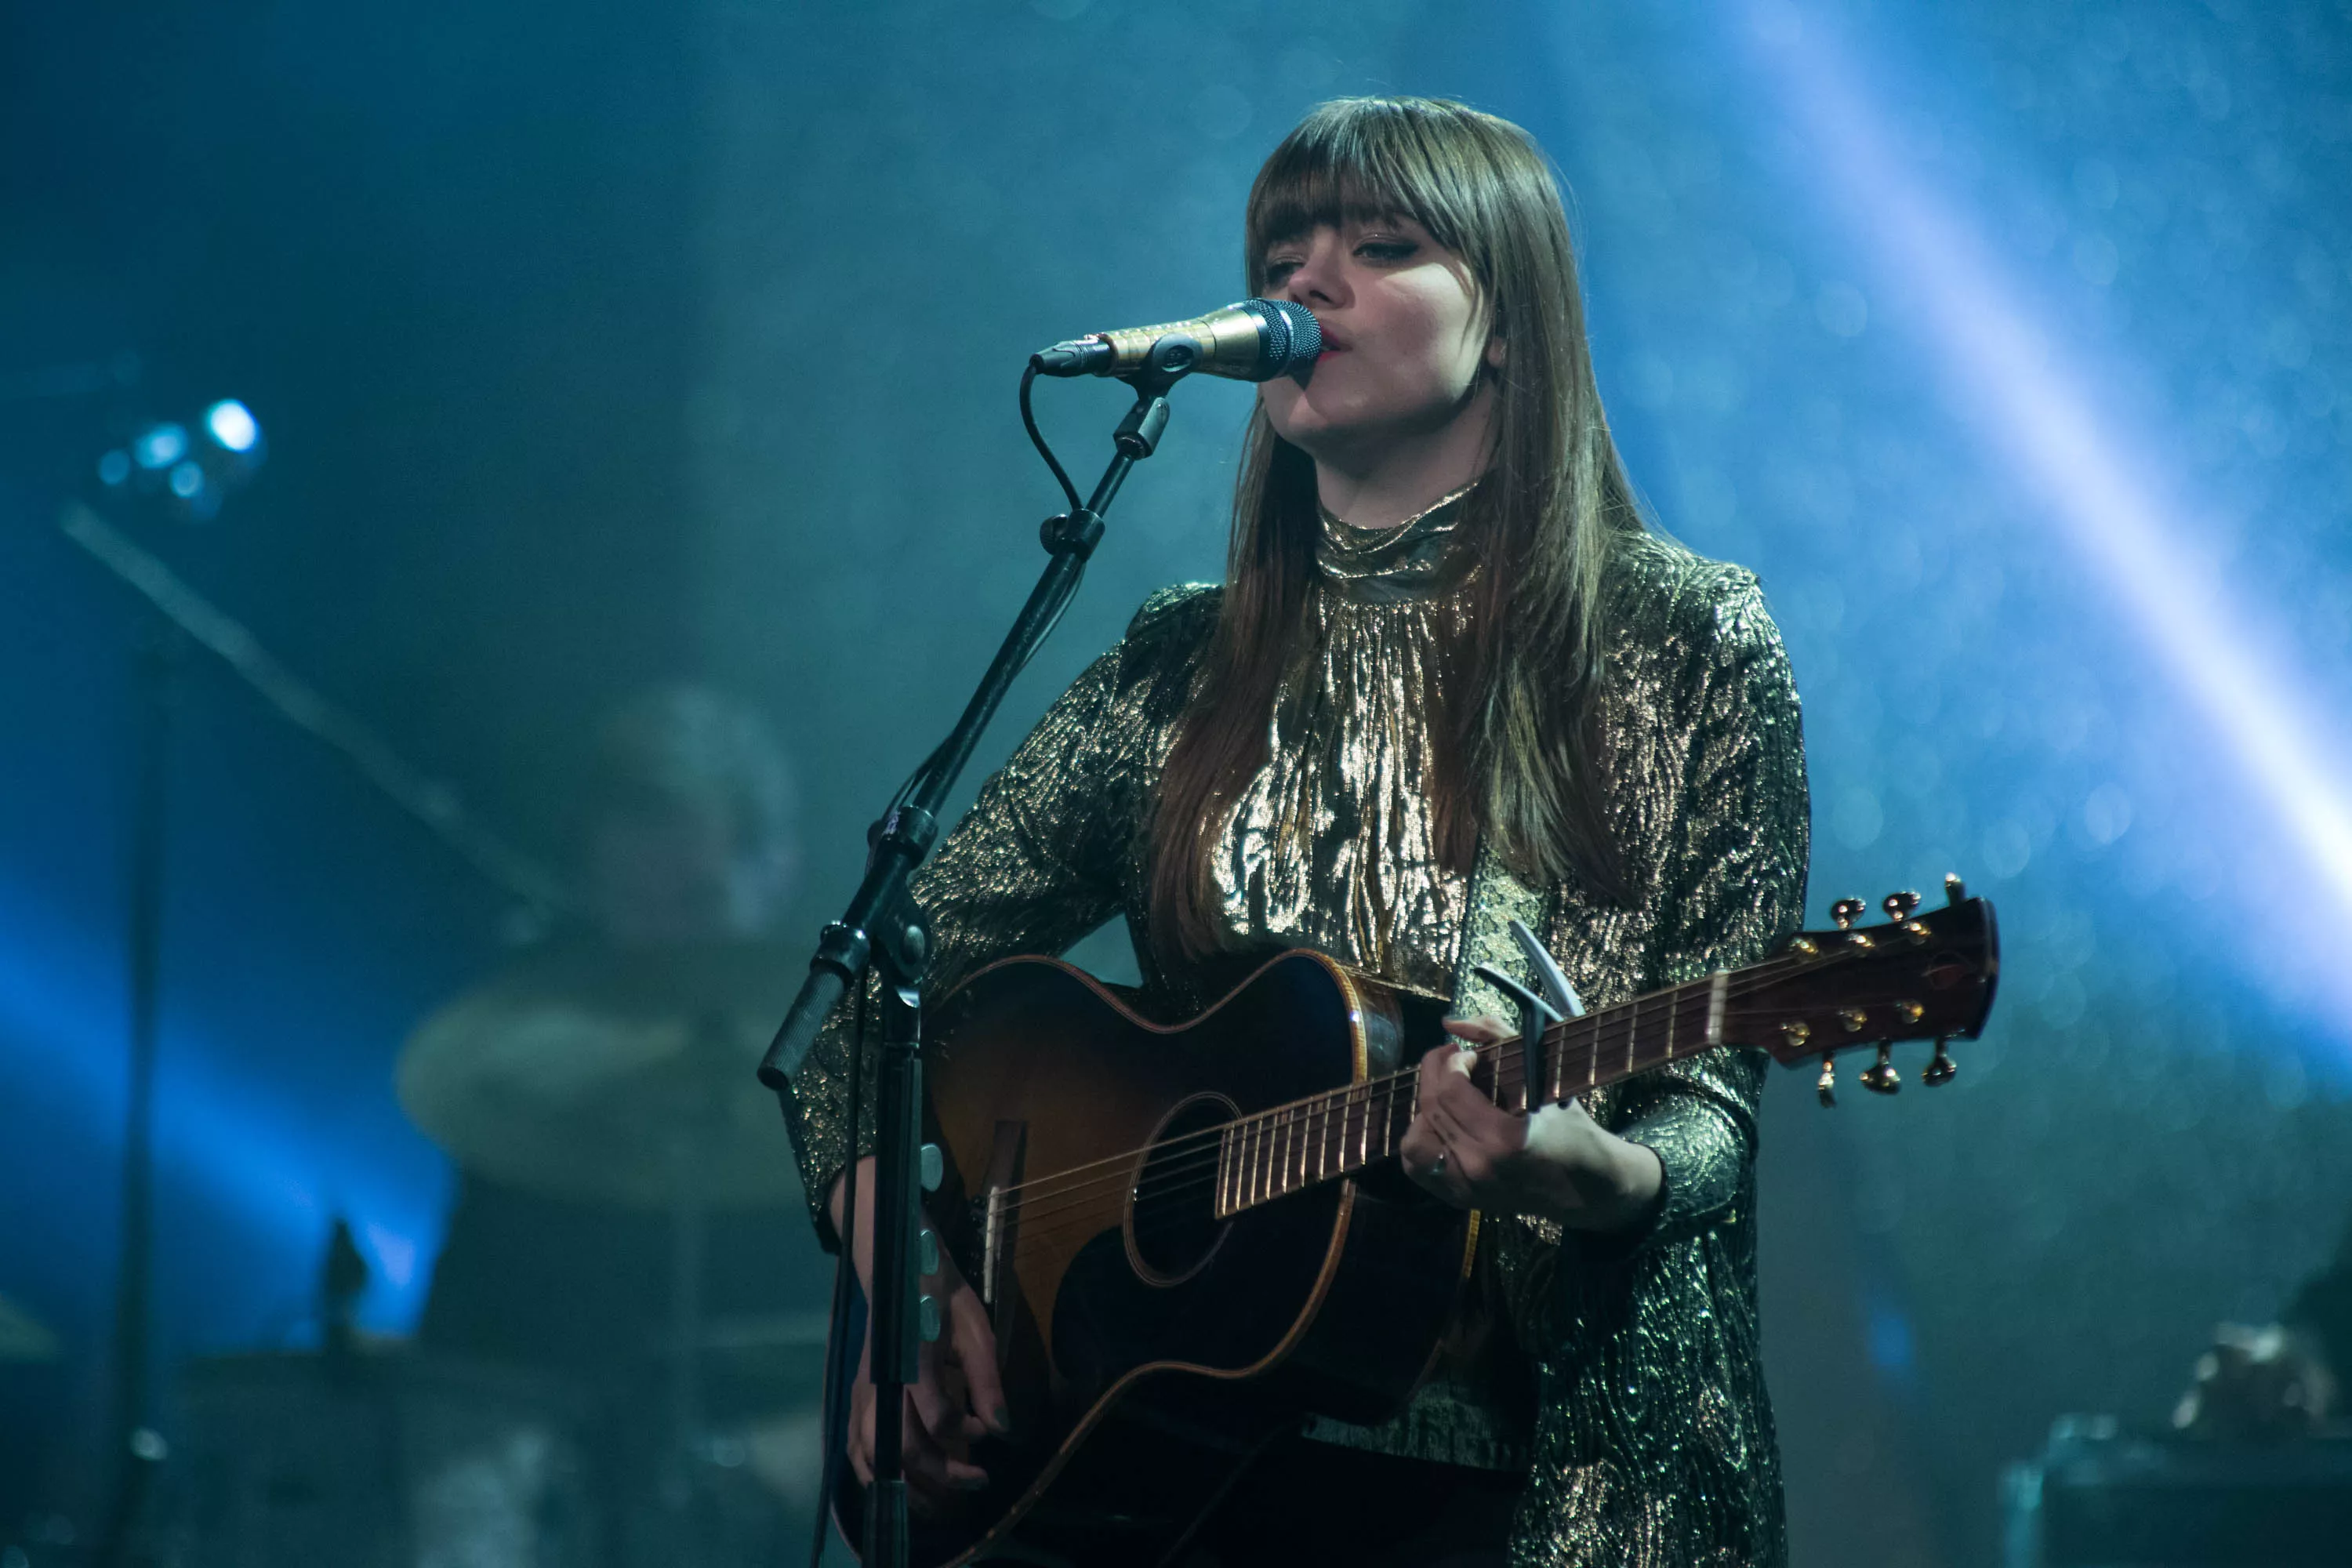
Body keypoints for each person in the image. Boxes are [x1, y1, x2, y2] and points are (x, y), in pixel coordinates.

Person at [782, 97, 1809, 1566]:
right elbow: (869, 1019)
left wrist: (1580, 1168)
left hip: (1557, 1479)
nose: (1308, 282)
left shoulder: (1684, 642)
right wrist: (914, 1311)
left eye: (1383, 245)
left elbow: (1712, 1110)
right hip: (1184, 1478)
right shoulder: (1178, 665)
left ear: (1508, 321)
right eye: (1285, 247)